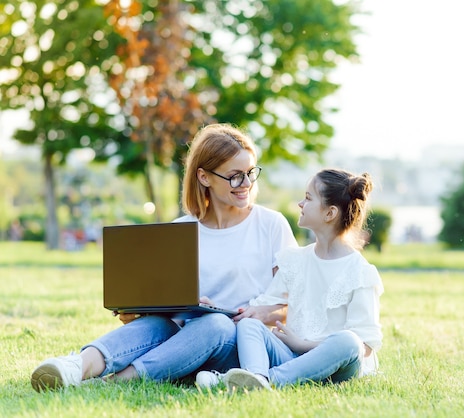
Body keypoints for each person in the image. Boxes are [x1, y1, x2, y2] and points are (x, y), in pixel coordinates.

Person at [30, 123, 297, 392]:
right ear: (204, 177)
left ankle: (119, 381)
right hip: (186, 341)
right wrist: (141, 309)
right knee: (157, 323)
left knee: (216, 322)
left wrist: (263, 313)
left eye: (251, 173)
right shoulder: (181, 228)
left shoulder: (271, 224)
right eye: (235, 176)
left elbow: (300, 301)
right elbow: (169, 304)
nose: (247, 184)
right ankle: (77, 366)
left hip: (242, 348)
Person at [220, 168, 384, 391]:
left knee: (349, 341)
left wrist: (303, 345)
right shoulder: (294, 260)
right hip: (292, 358)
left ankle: (266, 380)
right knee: (250, 325)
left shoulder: (360, 272)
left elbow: (365, 346)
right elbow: (260, 307)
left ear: (330, 213)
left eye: (308, 198)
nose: (300, 204)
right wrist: (219, 309)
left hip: (336, 367)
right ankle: (256, 377)